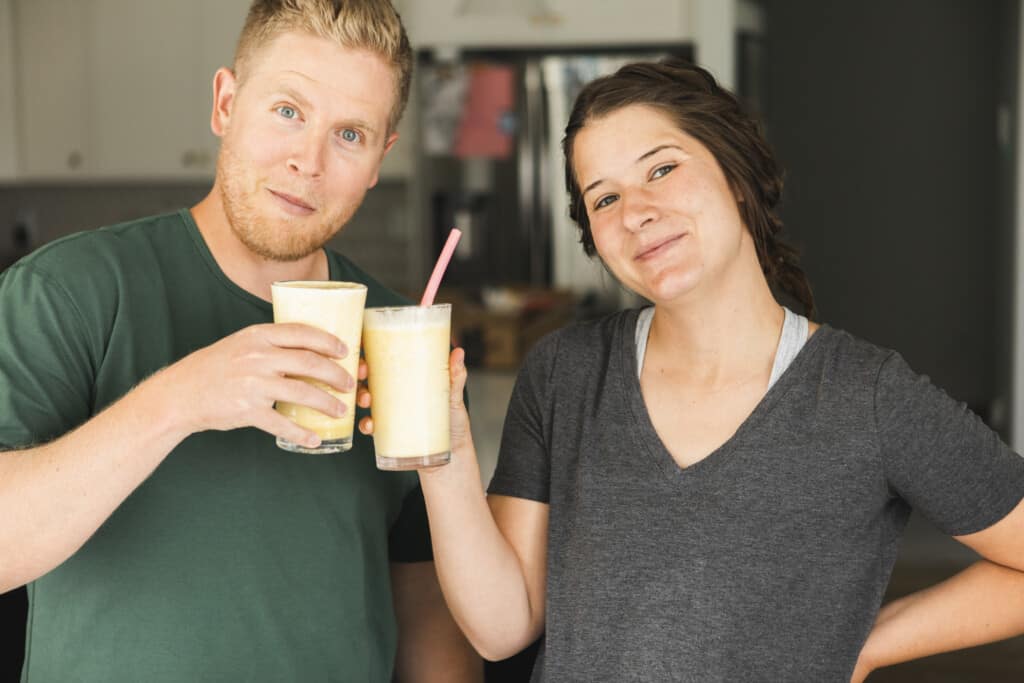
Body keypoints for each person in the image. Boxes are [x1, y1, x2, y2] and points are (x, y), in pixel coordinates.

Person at [359, 58, 1024, 681]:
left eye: (660, 169)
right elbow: (502, 627)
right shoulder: (565, 374)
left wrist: (867, 644)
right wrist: (439, 453)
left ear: (735, 173)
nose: (637, 212)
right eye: (604, 198)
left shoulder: (867, 397)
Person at [0, 1, 481, 681]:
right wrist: (179, 400)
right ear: (226, 103)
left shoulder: (400, 334)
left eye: (350, 134)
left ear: (380, 158)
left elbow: (427, 608)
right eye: (288, 111)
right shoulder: (68, 289)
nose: (307, 161)